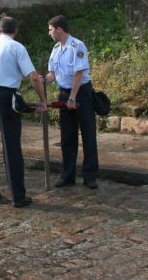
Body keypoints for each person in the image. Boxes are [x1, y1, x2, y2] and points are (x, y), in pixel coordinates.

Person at [0, 17, 47, 207]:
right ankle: (18, 195)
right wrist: (42, 100)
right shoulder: (17, 48)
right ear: (15, 31)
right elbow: (33, 77)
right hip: (5, 96)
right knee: (11, 146)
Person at [46, 15, 99, 189]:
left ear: (59, 29)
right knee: (67, 137)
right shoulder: (55, 49)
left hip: (80, 93)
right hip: (64, 93)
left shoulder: (77, 46)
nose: (49, 33)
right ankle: (67, 174)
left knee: (88, 135)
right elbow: (52, 74)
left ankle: (90, 175)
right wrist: (40, 79)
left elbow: (79, 74)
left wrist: (72, 98)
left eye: (51, 29)